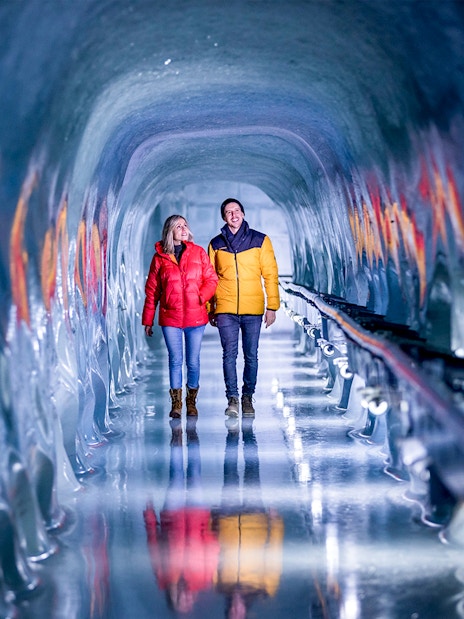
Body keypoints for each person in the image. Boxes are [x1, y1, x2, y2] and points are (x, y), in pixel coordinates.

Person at [208, 198, 280, 417]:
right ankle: (232, 399)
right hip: (226, 308)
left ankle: (247, 397)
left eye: (237, 210)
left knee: (251, 355)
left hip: (253, 308)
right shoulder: (216, 244)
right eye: (228, 212)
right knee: (228, 355)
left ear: (243, 213)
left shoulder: (261, 240)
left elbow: (270, 274)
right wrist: (210, 307)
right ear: (224, 217)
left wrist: (272, 306)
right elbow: (209, 278)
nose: (233, 215)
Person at [142, 215, 218, 418]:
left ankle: (191, 402)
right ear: (170, 231)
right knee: (175, 360)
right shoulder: (160, 258)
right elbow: (152, 290)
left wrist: (200, 297)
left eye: (185, 225)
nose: (183, 229)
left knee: (192, 361)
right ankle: (176, 404)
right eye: (178, 226)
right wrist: (148, 320)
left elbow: (212, 279)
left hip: (195, 316)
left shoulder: (198, 252)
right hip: (171, 317)